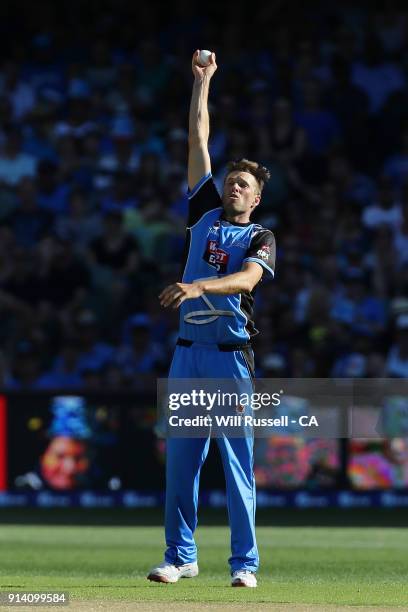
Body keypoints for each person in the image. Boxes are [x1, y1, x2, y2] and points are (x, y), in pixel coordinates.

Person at [147, 51, 276, 588]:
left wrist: (197, 284)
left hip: (229, 358)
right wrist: (203, 82)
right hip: (188, 353)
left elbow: (247, 281)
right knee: (181, 468)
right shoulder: (201, 212)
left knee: (237, 468)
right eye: (230, 181)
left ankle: (244, 566)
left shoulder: (260, 237)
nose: (233, 186)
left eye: (243, 184)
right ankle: (181, 557)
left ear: (258, 196)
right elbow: (197, 139)